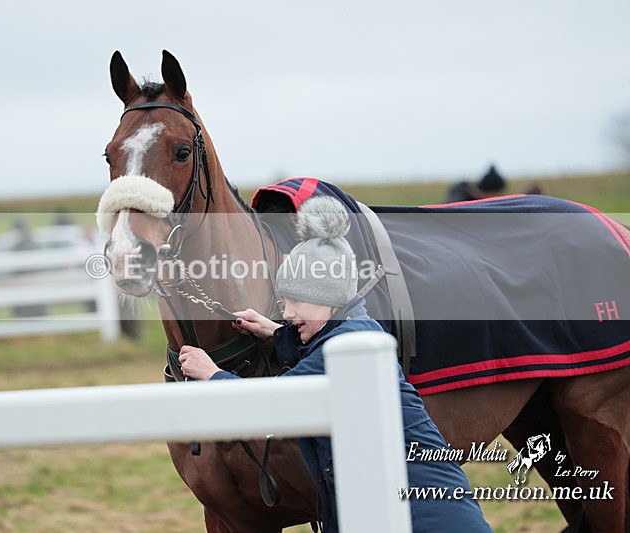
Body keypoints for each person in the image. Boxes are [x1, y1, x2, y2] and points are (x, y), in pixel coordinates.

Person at [178, 196, 492, 533]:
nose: (286, 313)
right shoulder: (355, 331)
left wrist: (211, 374)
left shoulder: (346, 346)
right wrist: (276, 333)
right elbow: (318, 352)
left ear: (328, 300)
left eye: (295, 301)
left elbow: (272, 404)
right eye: (284, 301)